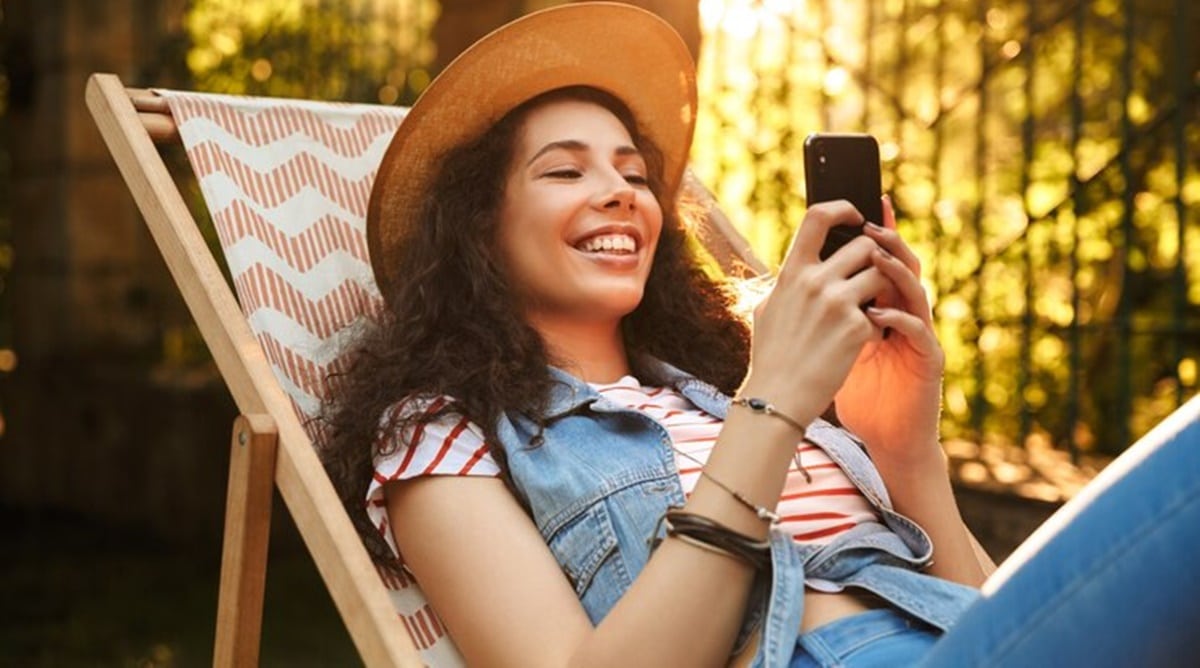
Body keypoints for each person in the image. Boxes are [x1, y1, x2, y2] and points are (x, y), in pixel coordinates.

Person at [320, 3, 1200, 666]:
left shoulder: (709, 389)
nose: (625, 191)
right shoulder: (441, 429)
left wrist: (903, 451)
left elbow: (981, 607)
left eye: (635, 172)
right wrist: (771, 405)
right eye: (565, 170)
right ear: (478, 228)